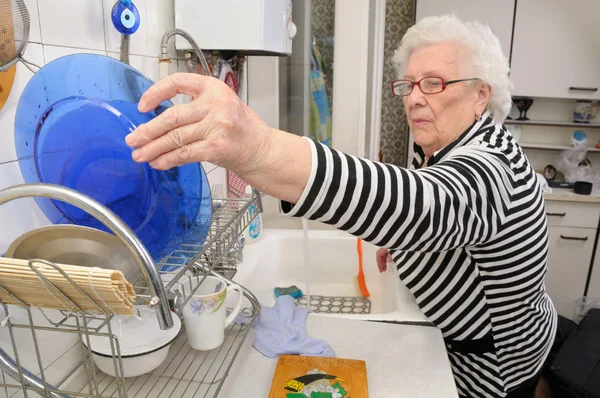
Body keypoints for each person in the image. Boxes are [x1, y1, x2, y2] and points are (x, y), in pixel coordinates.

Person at [125, 14, 556, 398]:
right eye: (408, 85)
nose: (413, 99)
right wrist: (408, 244)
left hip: (492, 368)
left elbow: (428, 206)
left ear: (481, 94)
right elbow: (426, 213)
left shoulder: (493, 165)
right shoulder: (443, 145)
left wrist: (260, 148)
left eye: (434, 83)